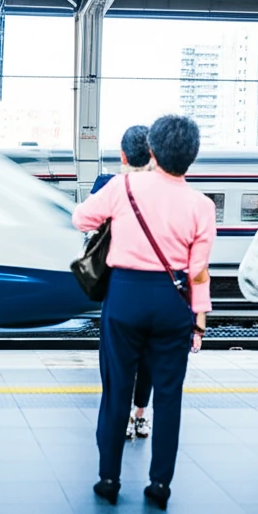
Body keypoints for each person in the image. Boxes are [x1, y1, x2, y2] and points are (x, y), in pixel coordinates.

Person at [73, 115, 215, 510]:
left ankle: (108, 478)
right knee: (169, 396)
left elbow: (80, 218)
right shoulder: (202, 205)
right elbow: (199, 270)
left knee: (116, 388)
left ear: (151, 150)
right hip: (174, 302)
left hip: (125, 297)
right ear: (192, 157)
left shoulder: (124, 186)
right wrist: (199, 320)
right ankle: (159, 485)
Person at [88, 125, 156, 440]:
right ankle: (141, 415)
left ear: (123, 155)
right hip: (158, 284)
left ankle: (120, 418)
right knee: (148, 356)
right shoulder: (166, 186)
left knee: (116, 357)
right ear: (154, 153)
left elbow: (85, 223)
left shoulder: (108, 184)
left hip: (118, 284)